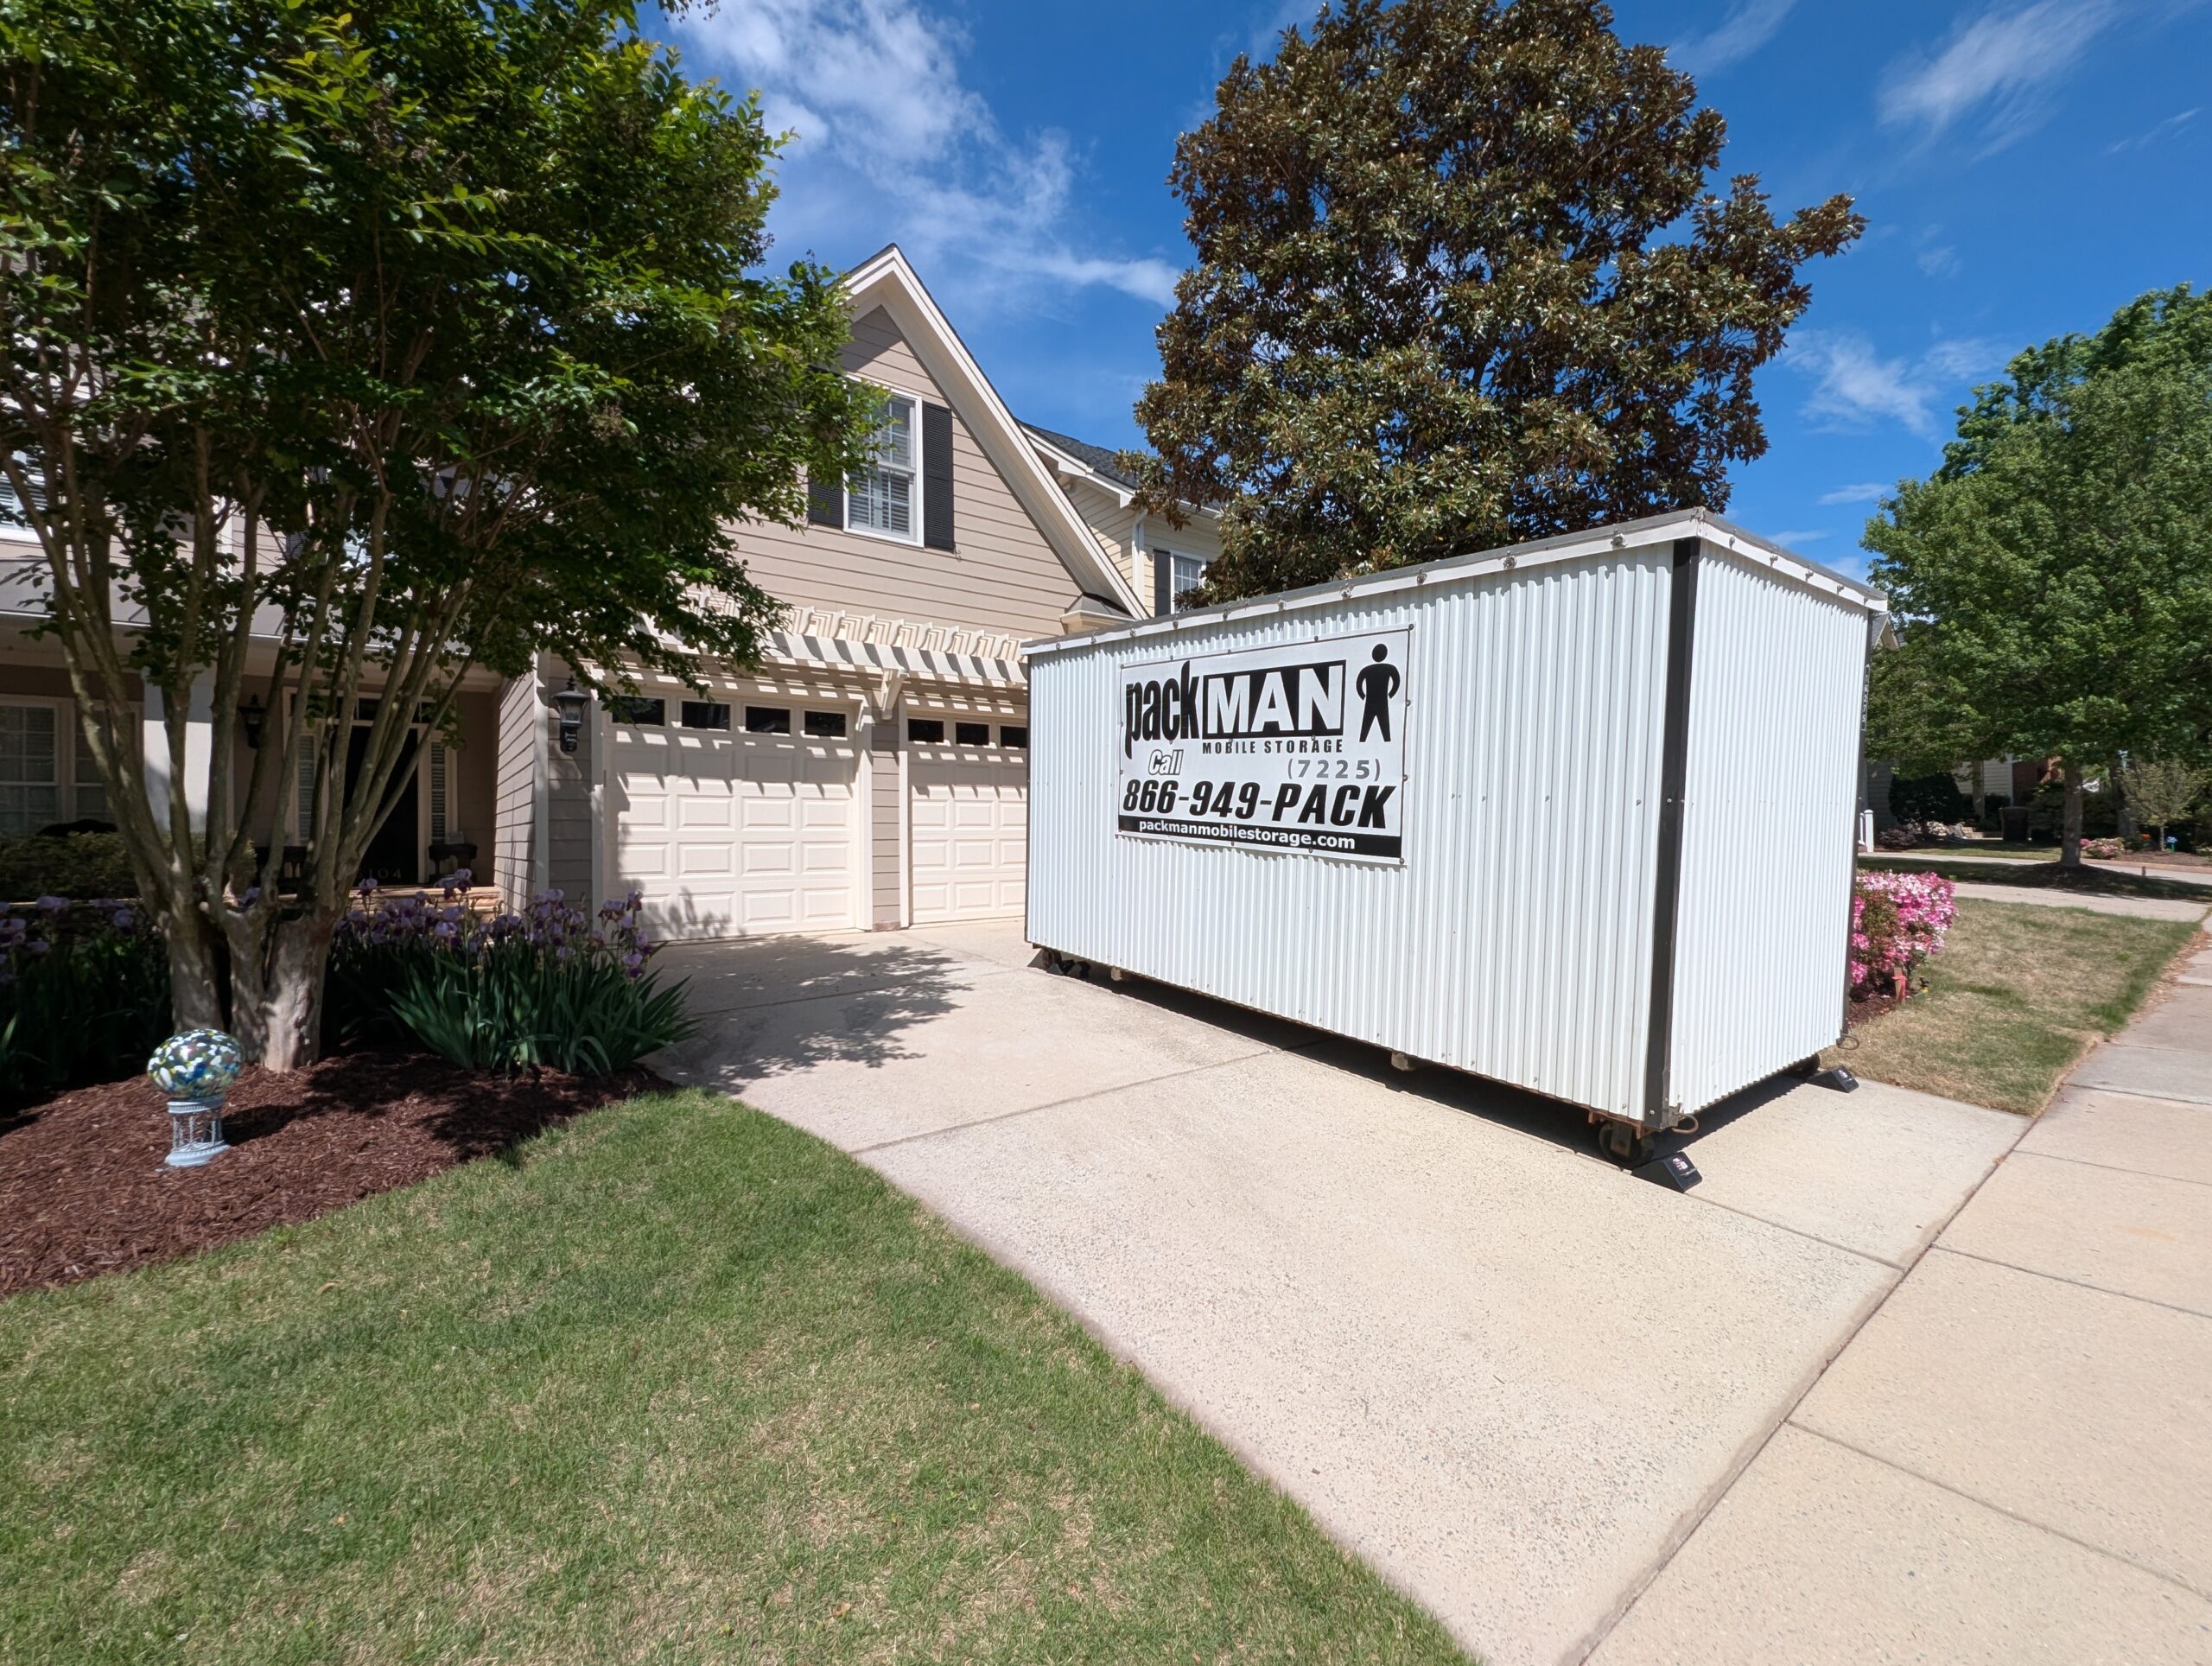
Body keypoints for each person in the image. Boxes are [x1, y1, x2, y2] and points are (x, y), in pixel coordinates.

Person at [1355, 643, 1399, 742]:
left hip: (1372, 701)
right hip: (1381, 701)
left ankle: (1365, 740)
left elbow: (1359, 684)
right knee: (1376, 727)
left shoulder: (1366, 670)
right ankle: (1385, 741)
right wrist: (1391, 693)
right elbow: (1396, 681)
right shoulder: (1390, 668)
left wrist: (1362, 695)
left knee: (1372, 726)